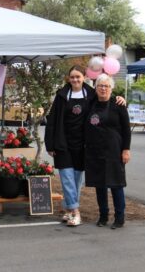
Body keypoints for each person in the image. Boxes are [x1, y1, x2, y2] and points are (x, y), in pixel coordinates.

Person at [45, 65, 125, 227]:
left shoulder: (91, 94)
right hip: (63, 143)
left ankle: (68, 209)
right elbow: (52, 121)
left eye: (78, 77)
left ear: (84, 78)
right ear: (68, 78)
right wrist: (50, 144)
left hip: (83, 145)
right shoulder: (61, 96)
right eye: (72, 77)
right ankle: (76, 211)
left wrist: (120, 98)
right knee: (67, 178)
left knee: (76, 181)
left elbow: (106, 96)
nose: (75, 80)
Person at [85, 74, 131, 229]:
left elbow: (126, 130)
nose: (103, 88)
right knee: (100, 186)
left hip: (114, 152)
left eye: (106, 86)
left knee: (116, 185)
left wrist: (126, 149)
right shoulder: (90, 104)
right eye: (100, 86)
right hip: (95, 152)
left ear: (111, 88)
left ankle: (120, 218)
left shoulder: (119, 105)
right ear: (96, 88)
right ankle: (103, 216)